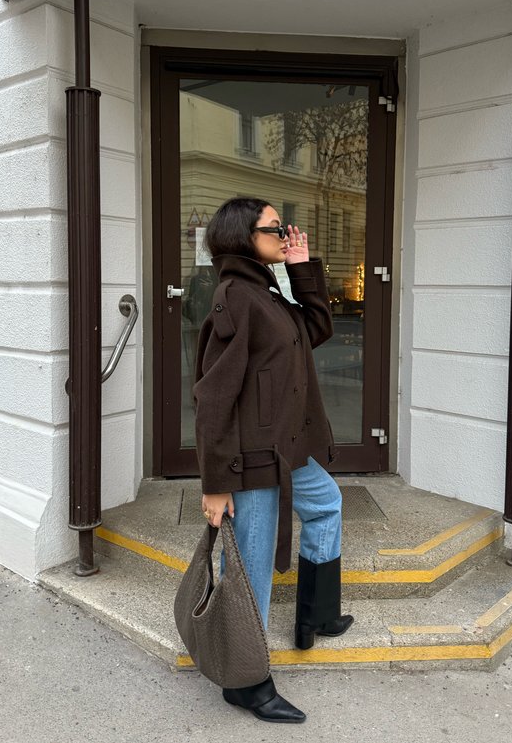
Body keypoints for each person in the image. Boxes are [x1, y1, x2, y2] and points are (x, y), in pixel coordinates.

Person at [192, 197, 354, 724]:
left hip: (288, 451)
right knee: (252, 569)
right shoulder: (235, 298)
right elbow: (214, 398)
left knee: (327, 504)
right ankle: (246, 682)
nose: (284, 233)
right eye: (274, 228)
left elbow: (316, 330)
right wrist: (216, 484)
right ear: (244, 236)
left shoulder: (265, 289)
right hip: (253, 460)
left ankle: (316, 617)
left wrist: (301, 267)